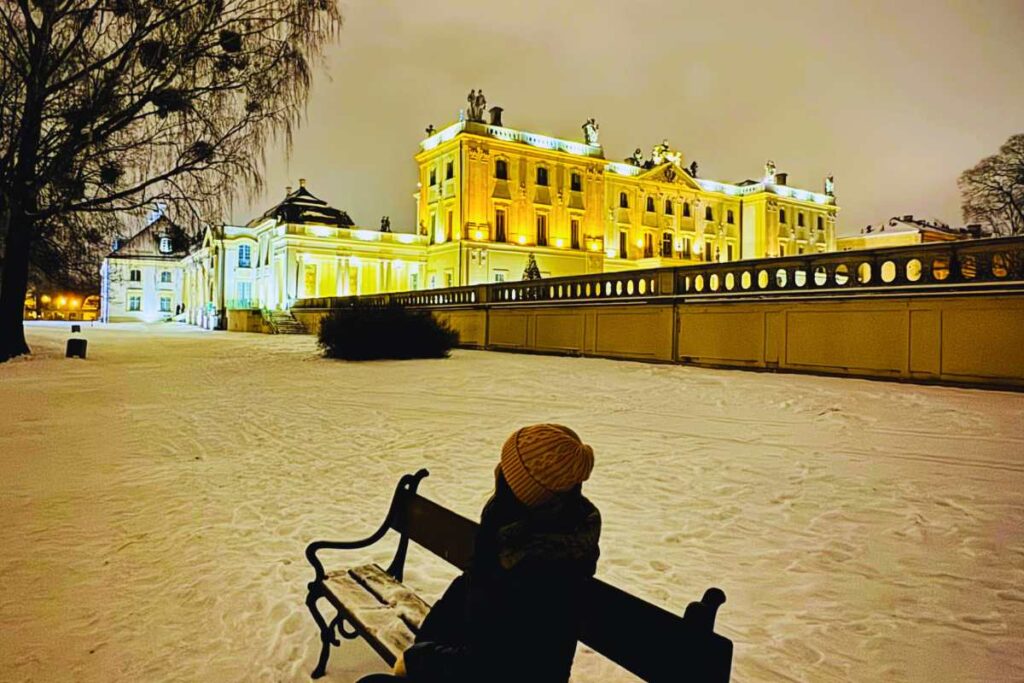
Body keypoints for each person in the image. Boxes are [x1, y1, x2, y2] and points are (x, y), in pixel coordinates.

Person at [358, 424, 601, 683]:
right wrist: (428, 643)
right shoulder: (515, 525)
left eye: (507, 468)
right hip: (472, 657)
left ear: (524, 487)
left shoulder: (544, 563)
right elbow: (471, 585)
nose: (498, 470)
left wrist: (420, 660)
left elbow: (497, 664)